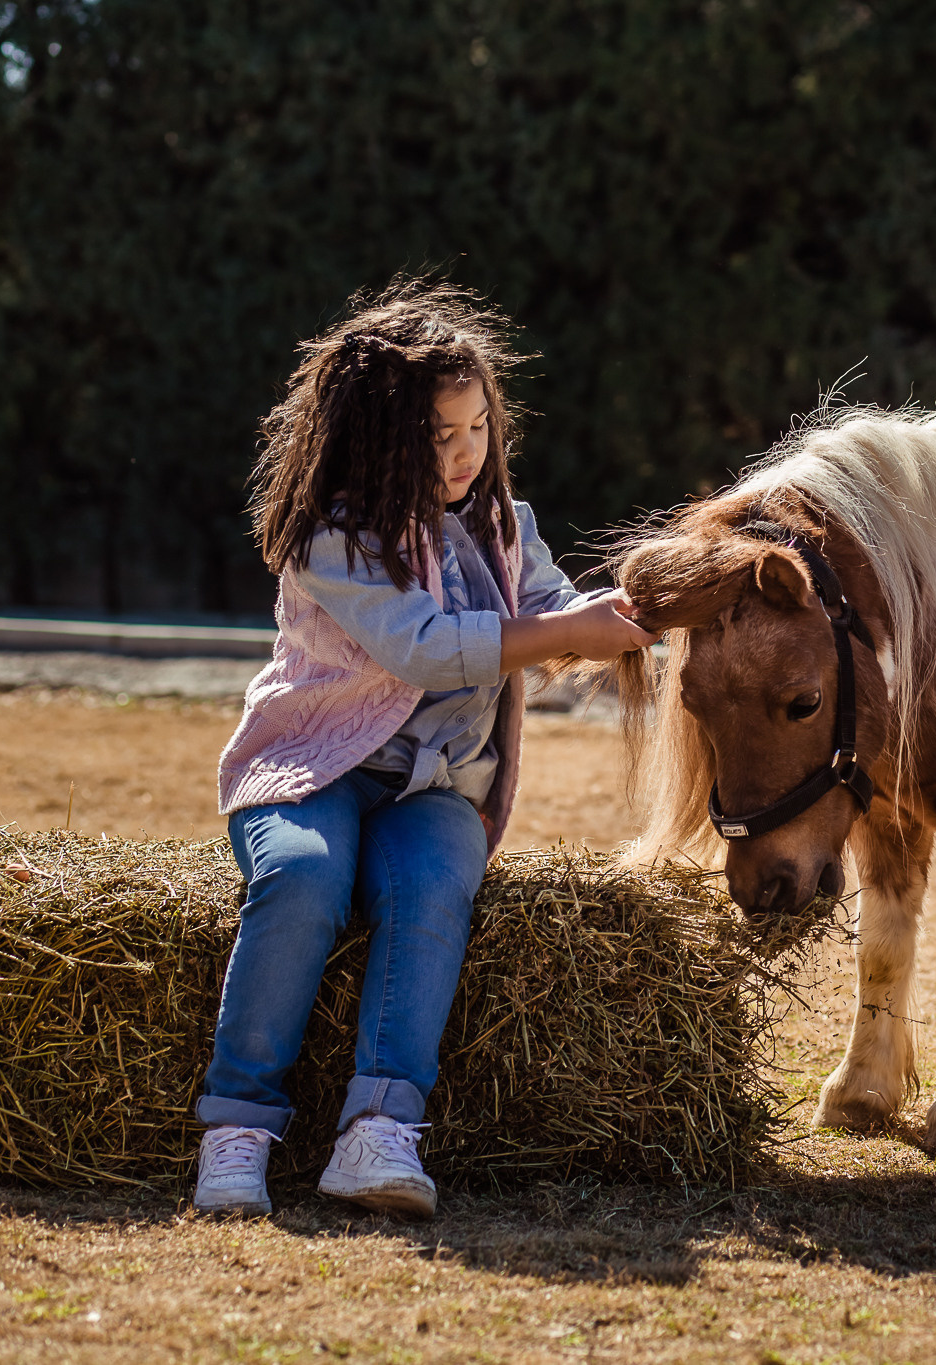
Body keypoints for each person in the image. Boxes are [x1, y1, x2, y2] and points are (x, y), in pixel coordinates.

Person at [195, 280, 656, 1220]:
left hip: (436, 782)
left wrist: (648, 622)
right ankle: (237, 1128)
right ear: (373, 437)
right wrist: (570, 630)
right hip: (311, 767)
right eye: (436, 435)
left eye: (476, 428)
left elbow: (555, 618)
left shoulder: (503, 525)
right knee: (304, 878)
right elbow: (426, 645)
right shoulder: (334, 532)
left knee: (433, 888)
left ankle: (378, 1131)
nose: (462, 454)